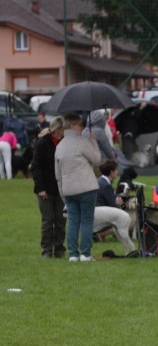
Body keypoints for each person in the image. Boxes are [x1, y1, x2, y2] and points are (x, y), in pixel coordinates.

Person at [55, 112, 101, 262]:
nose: (82, 127)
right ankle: (86, 254)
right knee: (87, 220)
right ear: (73, 125)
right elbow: (97, 160)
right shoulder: (82, 142)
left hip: (68, 189)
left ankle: (73, 254)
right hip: (86, 187)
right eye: (80, 124)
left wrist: (63, 195)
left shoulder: (60, 146)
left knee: (73, 221)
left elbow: (58, 175)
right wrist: (93, 142)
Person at [31, 116, 66, 258]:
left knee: (60, 220)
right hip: (45, 188)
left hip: (62, 188)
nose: (62, 133)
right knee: (47, 220)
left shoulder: (65, 143)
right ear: (55, 129)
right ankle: (46, 249)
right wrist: (40, 188)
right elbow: (36, 166)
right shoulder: (42, 143)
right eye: (60, 129)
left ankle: (59, 248)